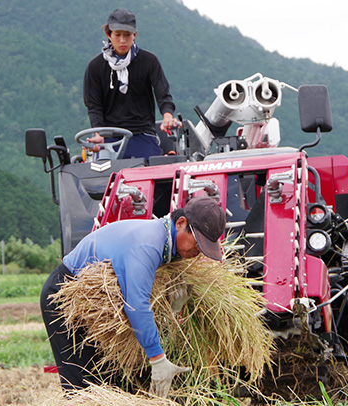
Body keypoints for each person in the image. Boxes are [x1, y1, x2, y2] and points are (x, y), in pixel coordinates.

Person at [40, 196, 226, 397]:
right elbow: (136, 305)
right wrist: (157, 358)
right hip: (66, 298)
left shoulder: (169, 248)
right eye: (198, 243)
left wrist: (174, 308)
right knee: (85, 387)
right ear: (181, 223)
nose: (198, 252)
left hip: (100, 308)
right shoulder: (148, 244)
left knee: (113, 383)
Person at [83, 8, 180, 162]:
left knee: (155, 176)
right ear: (109, 35)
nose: (122, 40)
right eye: (118, 35)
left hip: (143, 135)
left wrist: (167, 116)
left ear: (135, 35)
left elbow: (163, 94)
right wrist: (98, 134)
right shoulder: (95, 67)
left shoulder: (149, 61)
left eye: (127, 35)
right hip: (109, 138)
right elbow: (94, 106)